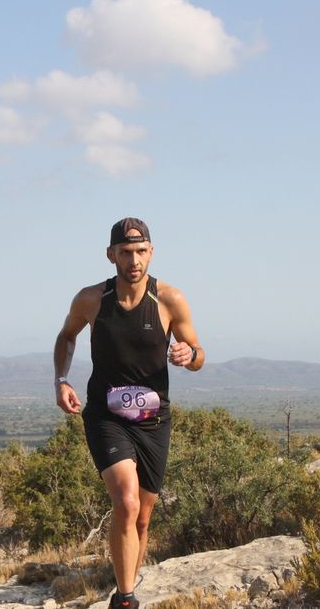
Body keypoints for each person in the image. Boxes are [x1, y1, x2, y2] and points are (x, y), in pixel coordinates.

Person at [54, 217, 204, 609]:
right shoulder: (91, 300)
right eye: (125, 252)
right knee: (126, 501)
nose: (133, 261)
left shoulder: (170, 299)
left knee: (142, 518)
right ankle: (125, 599)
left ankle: (125, 590)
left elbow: (198, 353)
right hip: (106, 416)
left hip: (154, 421)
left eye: (140, 252)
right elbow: (67, 336)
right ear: (111, 255)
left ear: (151, 252)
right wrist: (62, 380)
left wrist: (188, 355)